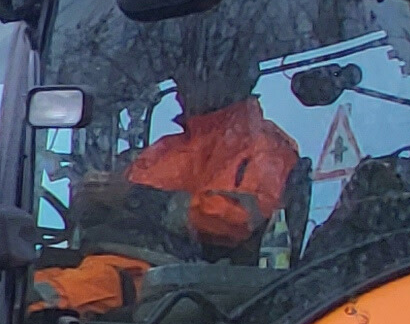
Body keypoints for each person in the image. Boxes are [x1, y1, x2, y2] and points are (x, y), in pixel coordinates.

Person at [123, 41, 304, 257]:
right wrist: (93, 201)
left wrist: (141, 200)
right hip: (123, 266)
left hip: (211, 282)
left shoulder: (266, 149)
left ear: (231, 81)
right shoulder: (162, 149)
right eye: (180, 79)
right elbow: (120, 204)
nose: (181, 89)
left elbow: (238, 220)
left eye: (194, 77)